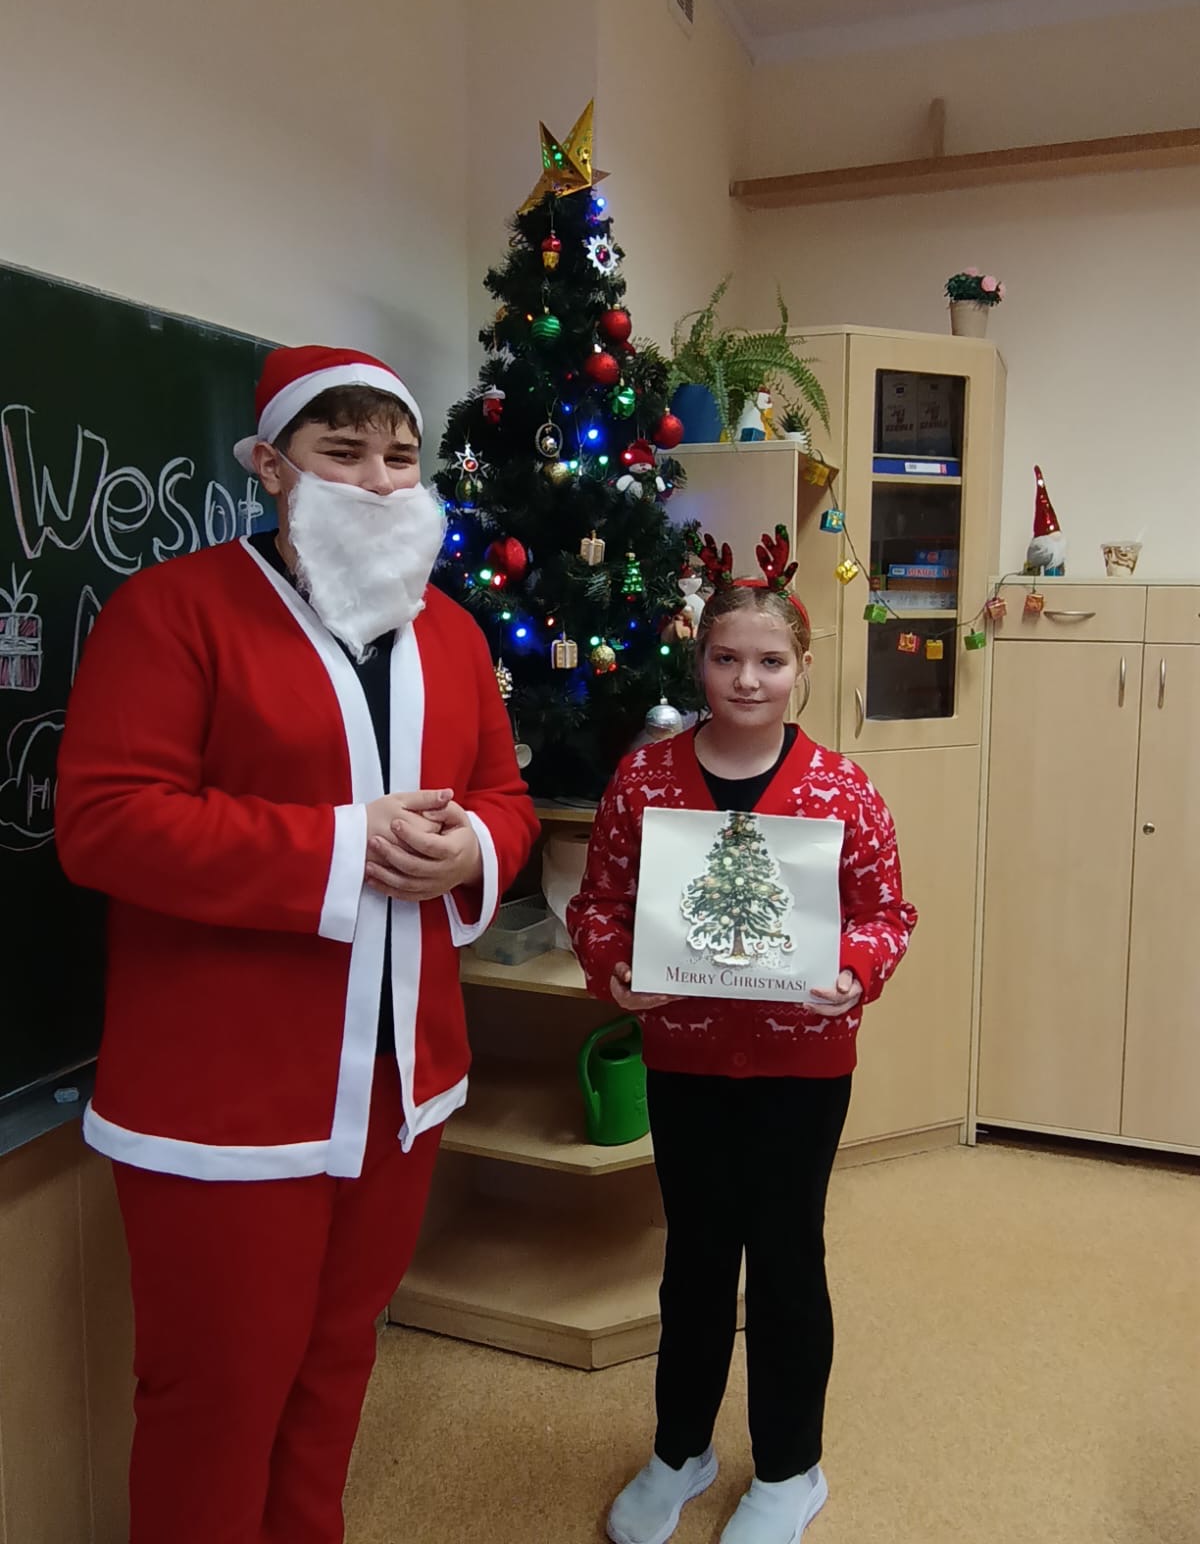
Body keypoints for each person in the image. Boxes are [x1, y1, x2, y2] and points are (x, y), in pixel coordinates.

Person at [55, 344, 540, 1544]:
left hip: (399, 1083)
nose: (379, 479)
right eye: (343, 452)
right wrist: (342, 844)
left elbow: (506, 800)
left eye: (400, 456)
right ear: (273, 468)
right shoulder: (171, 612)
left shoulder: (452, 634)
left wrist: (474, 848)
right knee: (216, 1398)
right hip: (225, 1094)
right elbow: (107, 821)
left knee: (334, 1368)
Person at [567, 529, 917, 1544]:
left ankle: (790, 1467)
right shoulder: (645, 781)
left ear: (802, 668)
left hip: (801, 1068)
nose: (748, 679)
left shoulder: (842, 789)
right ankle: (682, 1448)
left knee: (788, 1257)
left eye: (770, 660)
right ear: (701, 662)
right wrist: (615, 967)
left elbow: (887, 913)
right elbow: (599, 904)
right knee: (696, 1255)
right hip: (685, 1059)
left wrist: (853, 971)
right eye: (727, 658)